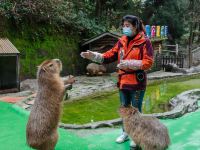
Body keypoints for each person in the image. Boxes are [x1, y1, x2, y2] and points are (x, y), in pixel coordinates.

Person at [80, 15, 154, 148]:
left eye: (128, 26)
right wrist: (94, 56)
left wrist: (130, 64)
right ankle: (125, 133)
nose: (125, 28)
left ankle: (136, 136)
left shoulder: (144, 42)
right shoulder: (122, 41)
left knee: (136, 110)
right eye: (123, 26)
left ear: (135, 26)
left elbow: (148, 62)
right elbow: (109, 56)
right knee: (124, 109)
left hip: (137, 82)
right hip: (123, 82)